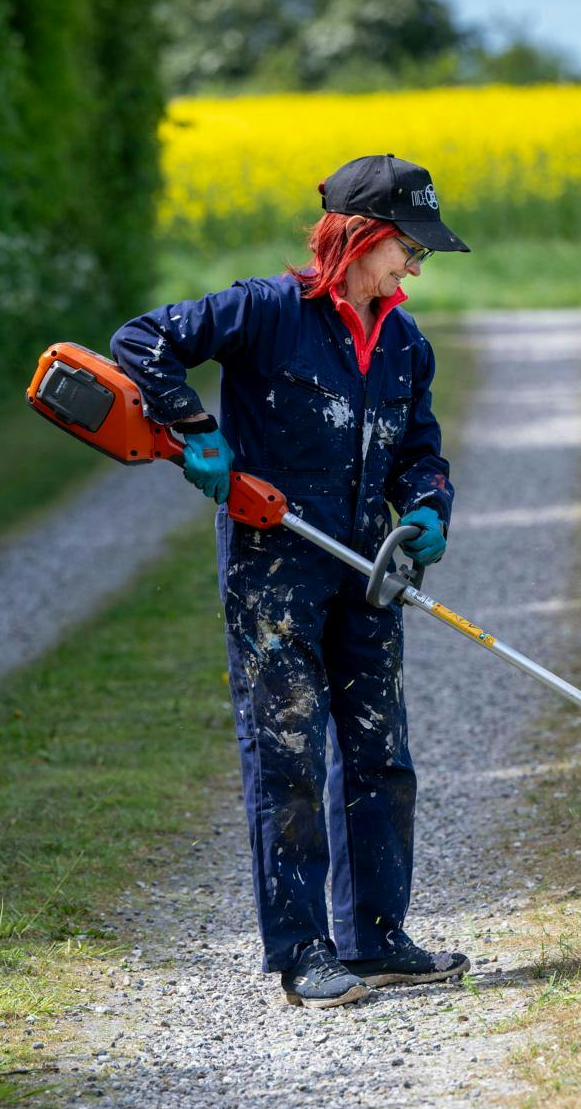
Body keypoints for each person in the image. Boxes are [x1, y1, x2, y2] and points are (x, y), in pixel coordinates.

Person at [111, 154, 471, 1009]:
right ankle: (303, 951)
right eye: (409, 248)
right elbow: (142, 340)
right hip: (273, 568)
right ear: (361, 237)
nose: (416, 268)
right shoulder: (267, 311)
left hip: (367, 570)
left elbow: (419, 451)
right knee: (289, 755)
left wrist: (427, 508)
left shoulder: (405, 345)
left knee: (381, 754)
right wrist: (196, 428)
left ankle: (377, 939)